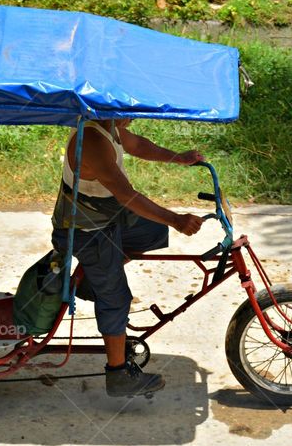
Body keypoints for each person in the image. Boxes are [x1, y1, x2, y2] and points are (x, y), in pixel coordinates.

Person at [51, 119, 204, 397]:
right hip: (88, 230)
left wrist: (177, 158)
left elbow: (136, 144)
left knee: (153, 231)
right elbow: (127, 196)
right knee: (116, 297)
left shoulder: (108, 125)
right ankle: (119, 374)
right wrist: (176, 219)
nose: (134, 114)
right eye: (127, 108)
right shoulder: (94, 142)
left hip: (106, 217)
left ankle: (93, 279)